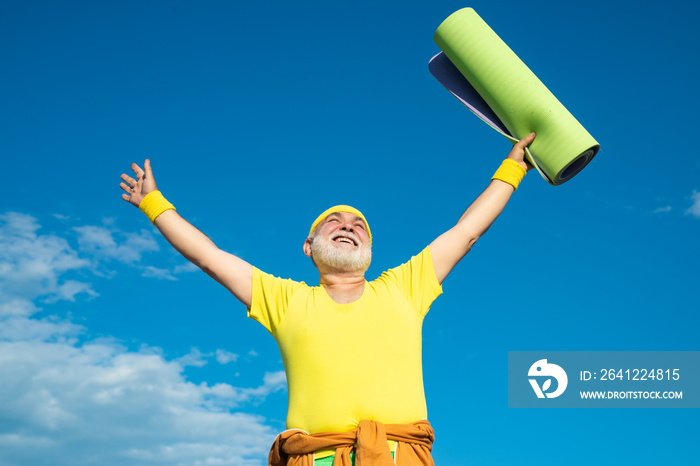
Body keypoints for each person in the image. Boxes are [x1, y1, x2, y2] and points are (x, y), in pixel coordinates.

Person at [120, 132, 536, 466]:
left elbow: (466, 232)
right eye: (333, 221)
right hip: (312, 459)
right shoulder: (284, 299)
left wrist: (511, 168)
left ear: (369, 249)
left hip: (398, 457)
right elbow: (209, 257)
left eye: (360, 226)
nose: (347, 226)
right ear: (308, 246)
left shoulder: (404, 286)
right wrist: (153, 203)